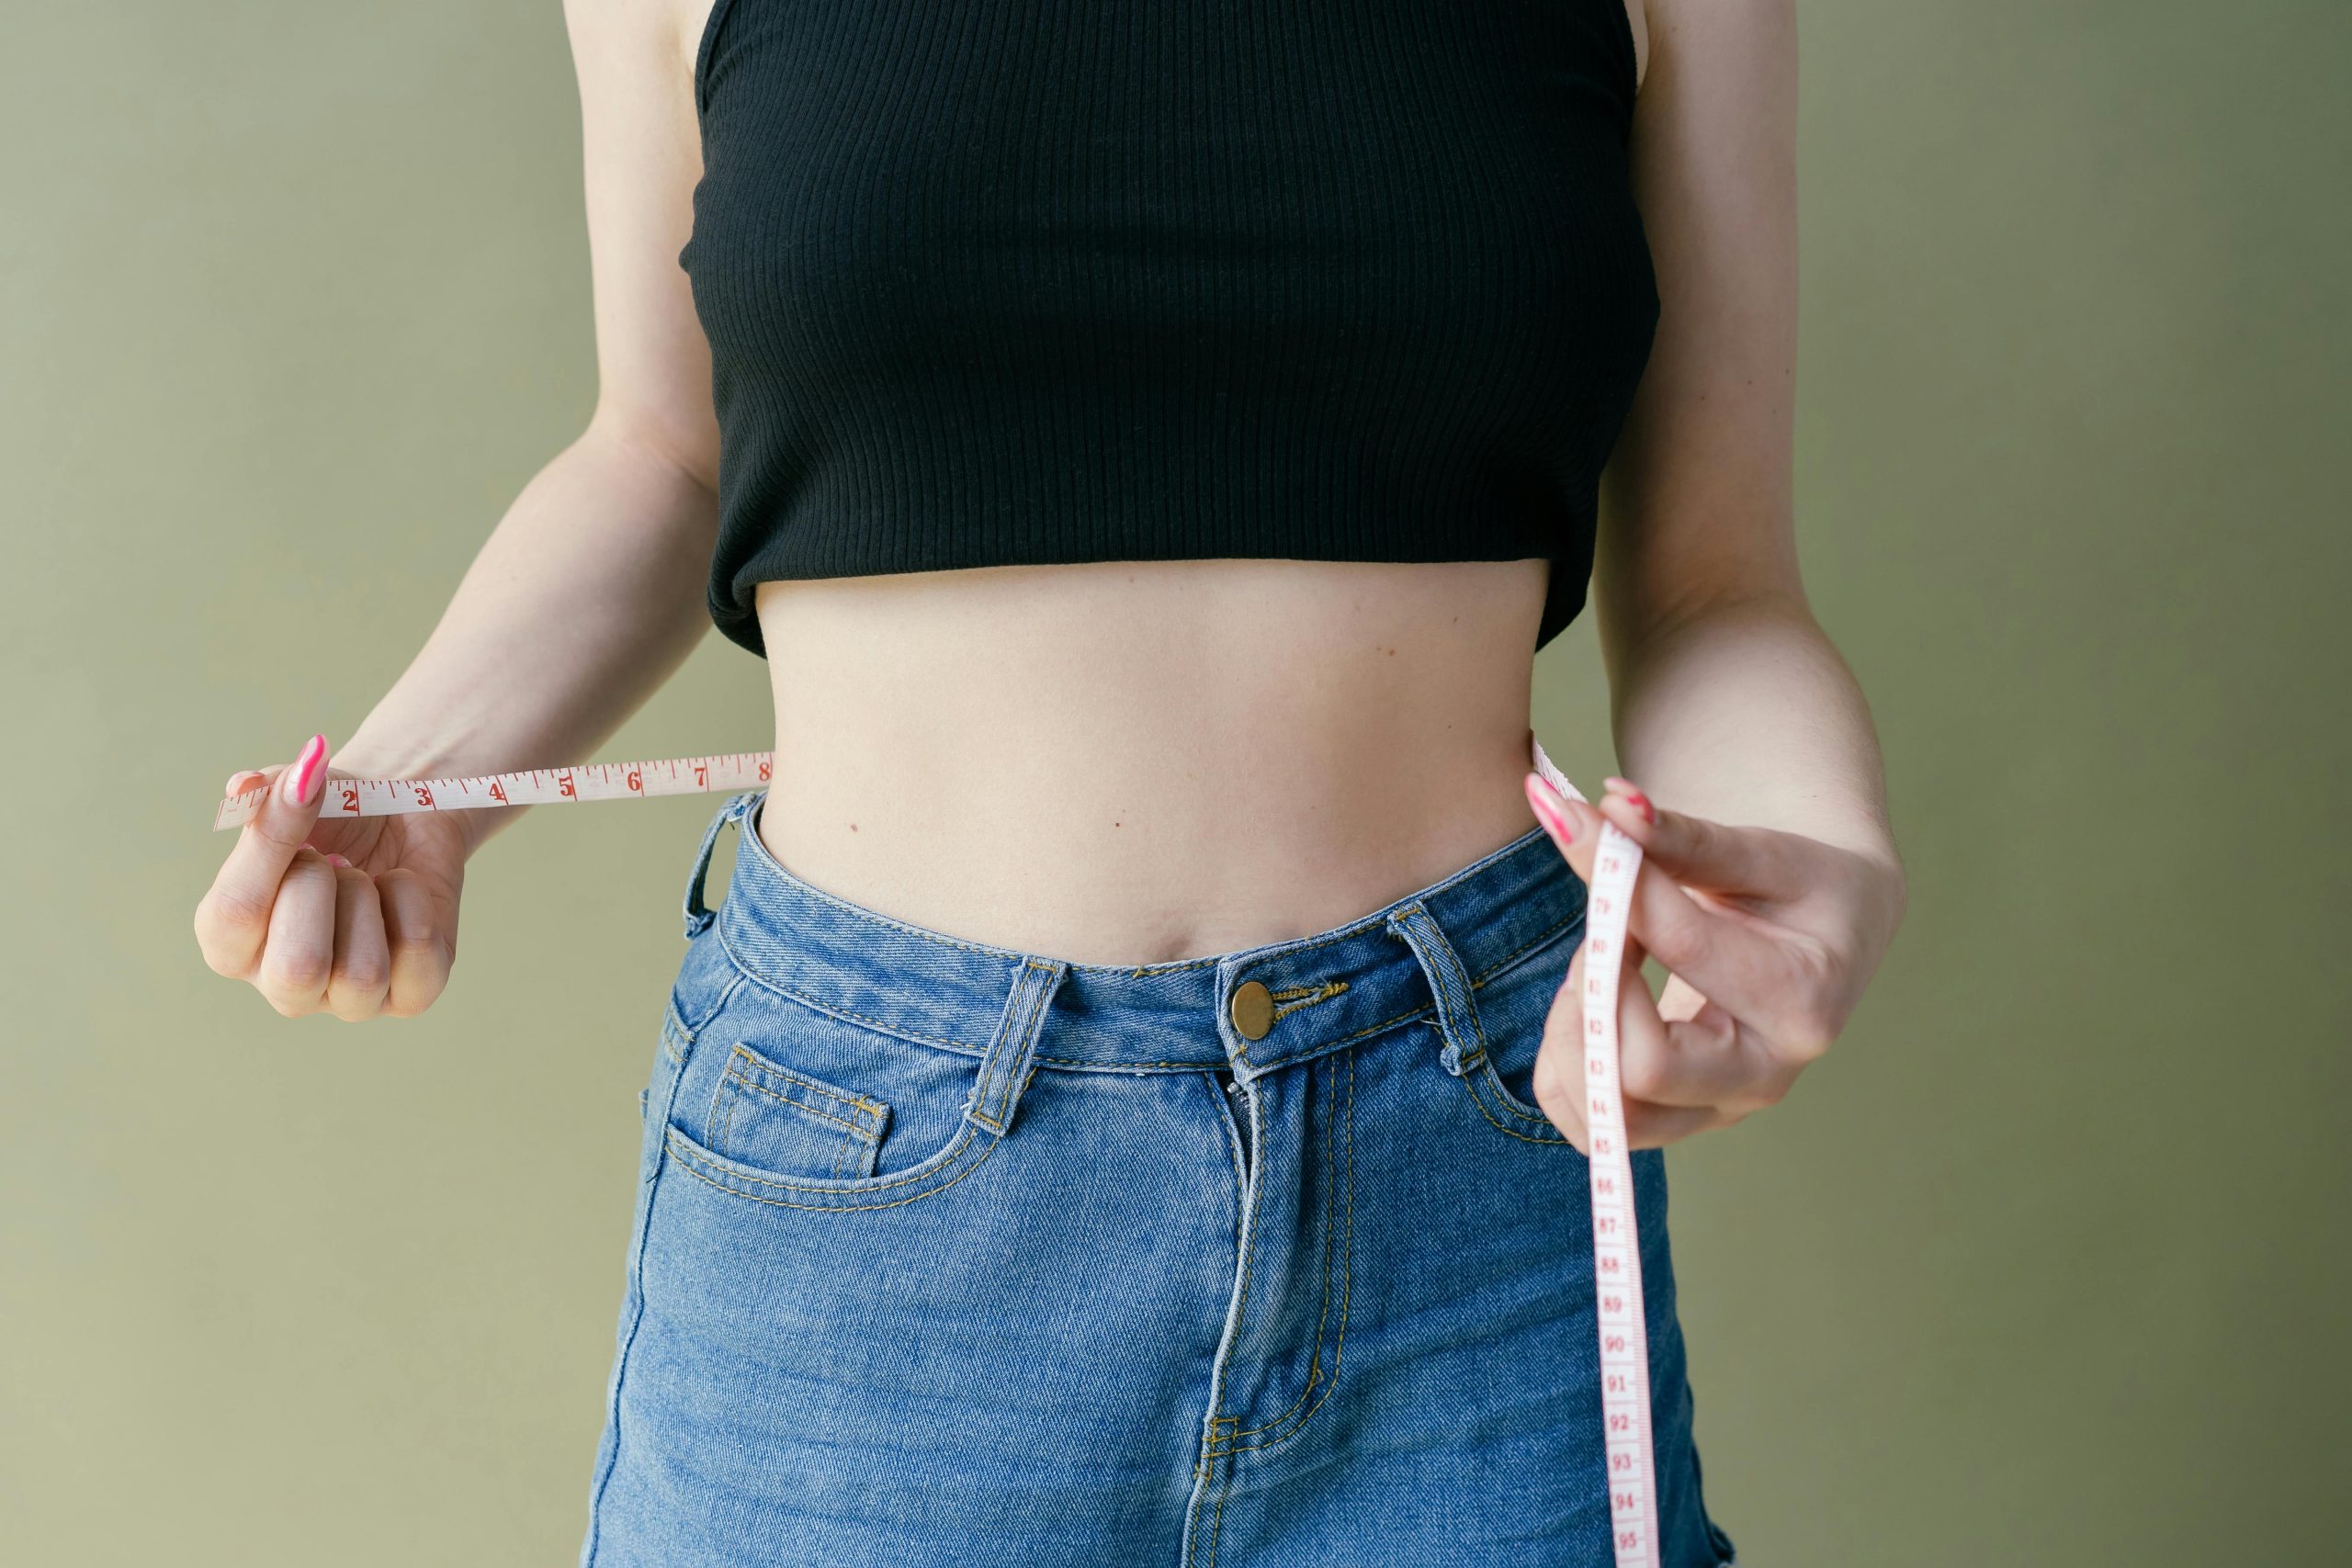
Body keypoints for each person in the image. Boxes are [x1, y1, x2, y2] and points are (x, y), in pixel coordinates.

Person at [192, 0, 1904, 1562]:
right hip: (865, 1167)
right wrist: (418, 779)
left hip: (1474, 1146)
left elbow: (1714, 587)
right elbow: (661, 452)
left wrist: (1819, 869)